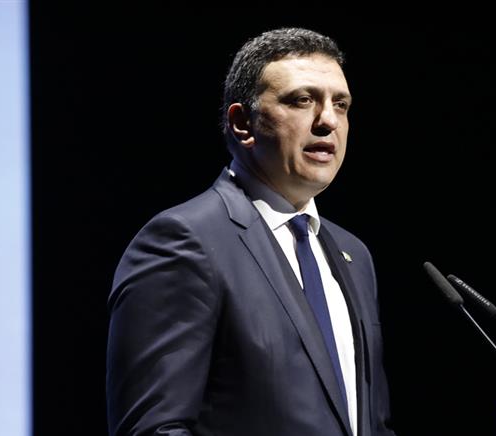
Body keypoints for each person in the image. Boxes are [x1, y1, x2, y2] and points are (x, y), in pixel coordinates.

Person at [106, 28, 397, 436]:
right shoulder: (186, 242)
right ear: (242, 123)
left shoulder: (354, 255)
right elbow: (154, 428)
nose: (328, 121)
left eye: (341, 104)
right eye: (302, 100)